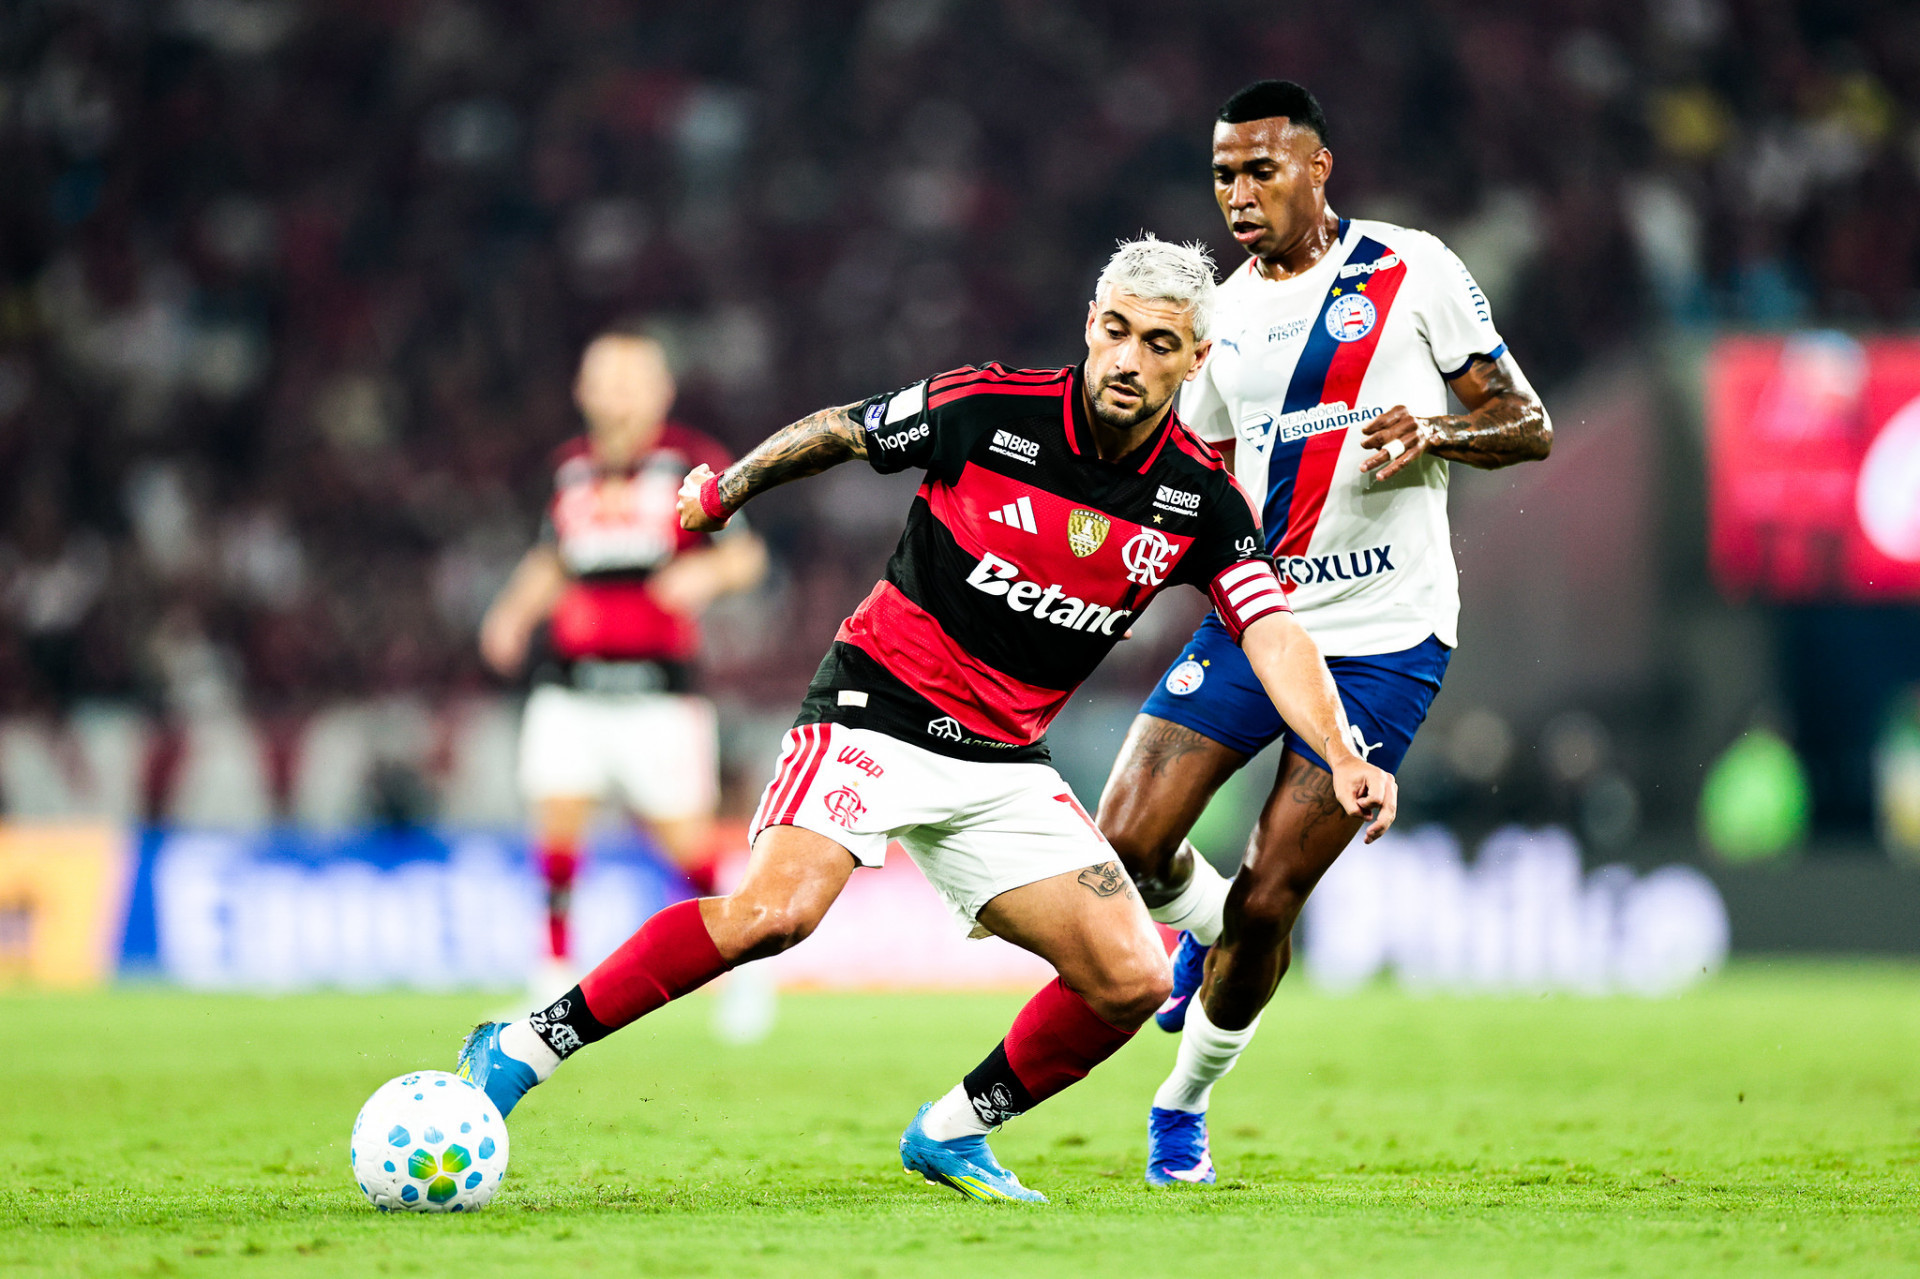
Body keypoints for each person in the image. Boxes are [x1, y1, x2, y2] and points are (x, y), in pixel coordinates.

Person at [455, 237, 1398, 1204]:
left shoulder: (1199, 498)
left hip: (1002, 761)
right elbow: (840, 430)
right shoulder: (990, 407)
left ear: (1196, 359)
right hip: (875, 710)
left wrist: (1339, 751)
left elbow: (1272, 630)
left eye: (1160, 343)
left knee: (1131, 978)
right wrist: (728, 490)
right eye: (1114, 331)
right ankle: (524, 1042)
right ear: (1089, 325)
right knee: (775, 914)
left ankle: (952, 1131)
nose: (1129, 358)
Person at [1095, 81, 1553, 1187]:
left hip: (1389, 641)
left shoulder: (1416, 271)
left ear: (1319, 168)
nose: (1240, 196)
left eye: (1261, 171)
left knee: (1271, 898)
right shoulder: (1218, 322)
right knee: (1126, 842)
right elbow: (1186, 468)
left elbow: (1527, 425)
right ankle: (1201, 933)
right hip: (1260, 621)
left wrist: (1436, 429)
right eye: (1222, 176)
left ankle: (1183, 1103)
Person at [479, 332, 767, 1006]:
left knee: (687, 846)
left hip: (657, 690)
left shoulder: (694, 463)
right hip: (571, 684)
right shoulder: (569, 470)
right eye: (604, 376)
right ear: (582, 390)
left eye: (632, 376)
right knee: (555, 826)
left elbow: (747, 557)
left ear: (663, 388)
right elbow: (553, 559)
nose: (617, 390)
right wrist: (512, 613)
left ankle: (742, 962)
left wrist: (707, 573)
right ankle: (549, 978)